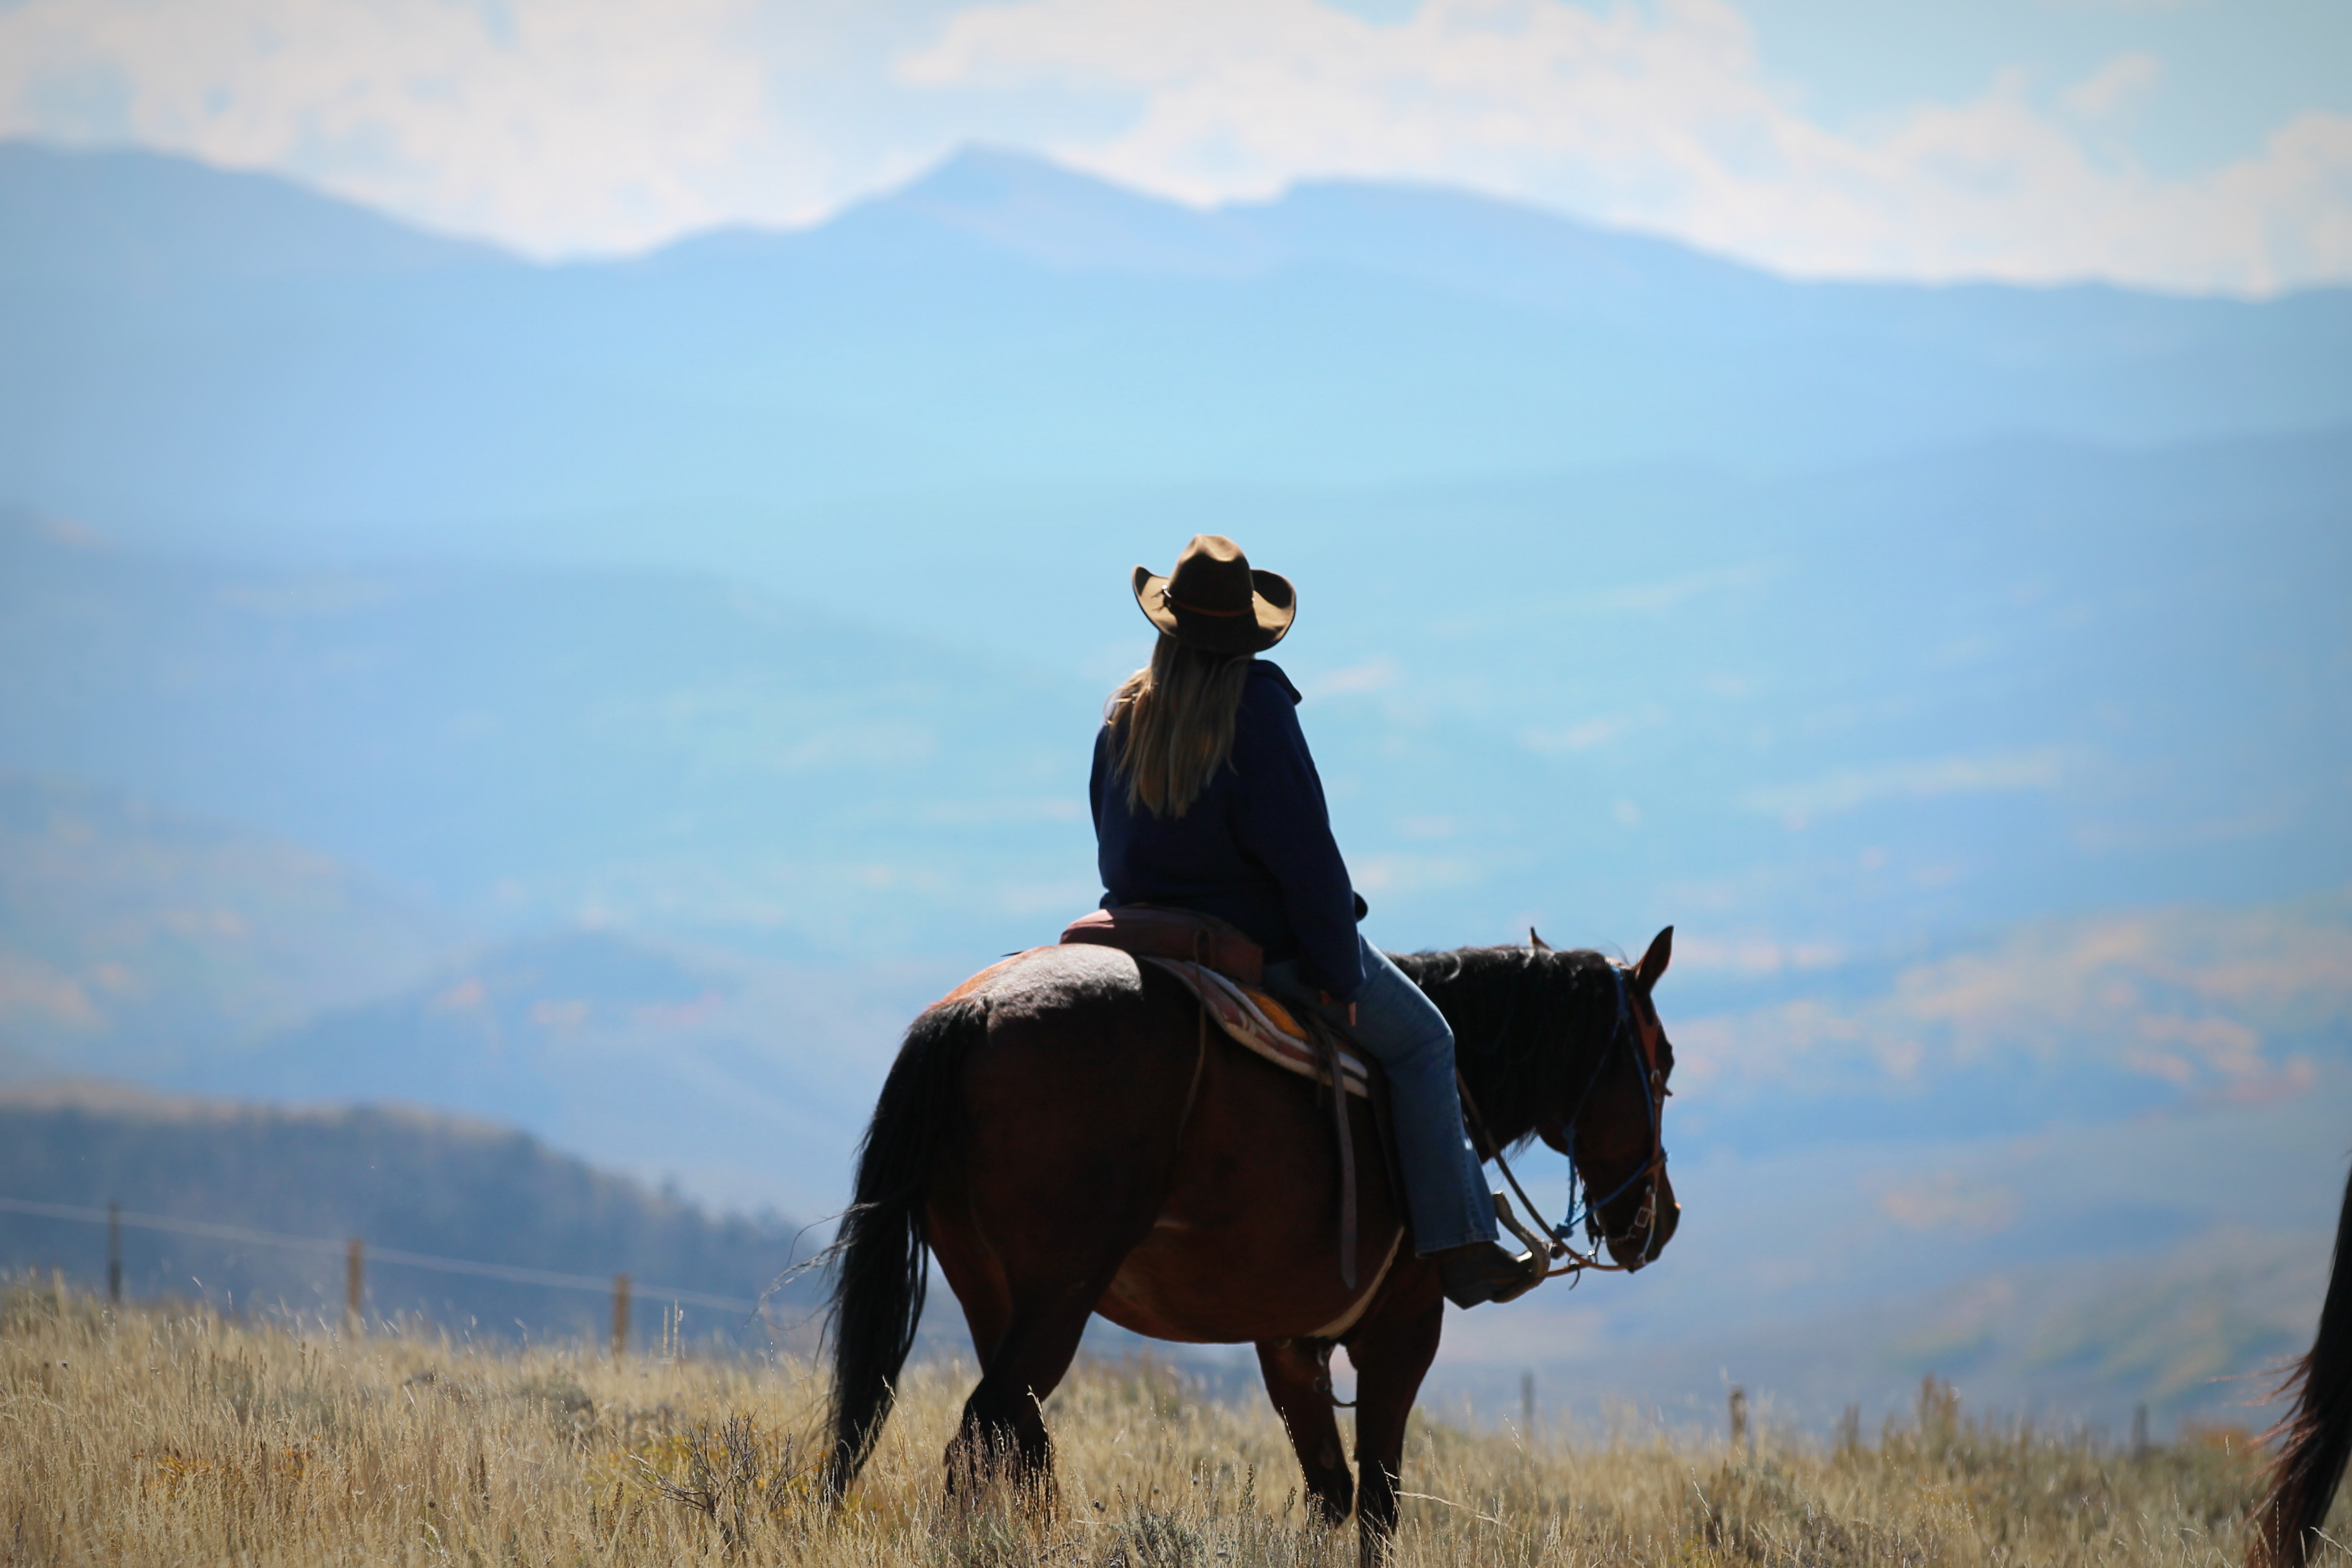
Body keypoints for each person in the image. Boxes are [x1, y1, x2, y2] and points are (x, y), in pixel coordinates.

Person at [1089, 533, 1534, 1309]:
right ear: (1243, 636)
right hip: (1252, 949)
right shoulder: (1253, 711)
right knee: (1426, 1041)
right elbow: (1307, 860)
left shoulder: (1125, 715)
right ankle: (1460, 1242)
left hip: (1139, 934)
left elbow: (1112, 847)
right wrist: (1337, 969)